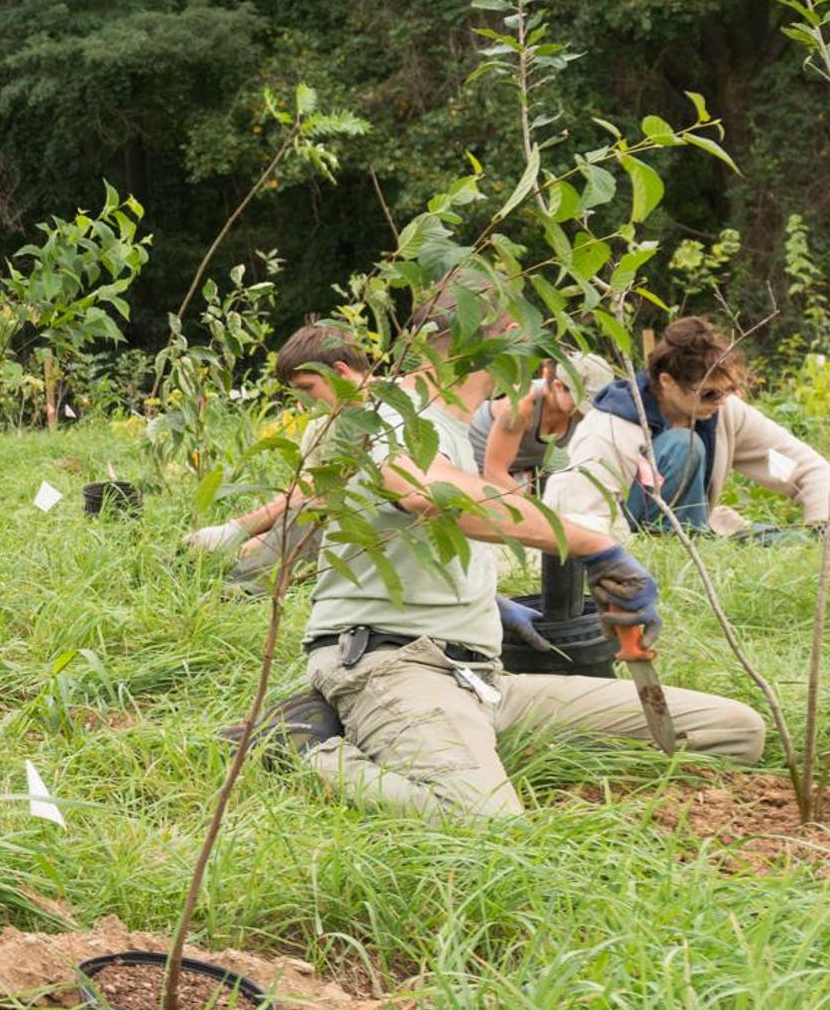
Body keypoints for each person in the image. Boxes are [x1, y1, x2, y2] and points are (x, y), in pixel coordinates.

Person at [260, 322, 765, 818]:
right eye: (526, 328)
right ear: (494, 333)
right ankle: (303, 746)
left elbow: (431, 535)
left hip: (483, 677)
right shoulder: (381, 414)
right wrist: (595, 546)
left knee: (737, 732)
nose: (539, 351)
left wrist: (489, 606)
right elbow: (429, 493)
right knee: (479, 816)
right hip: (395, 664)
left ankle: (461, 745)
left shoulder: (450, 423)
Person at [545, 314, 830, 539]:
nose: (721, 401)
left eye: (730, 390)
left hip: (700, 528)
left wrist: (820, 526)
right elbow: (579, 514)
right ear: (667, 382)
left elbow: (804, 469)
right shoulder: (610, 424)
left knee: (792, 540)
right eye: (709, 393)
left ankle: (697, 538)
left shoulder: (724, 411)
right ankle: (680, 542)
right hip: (618, 536)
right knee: (683, 443)